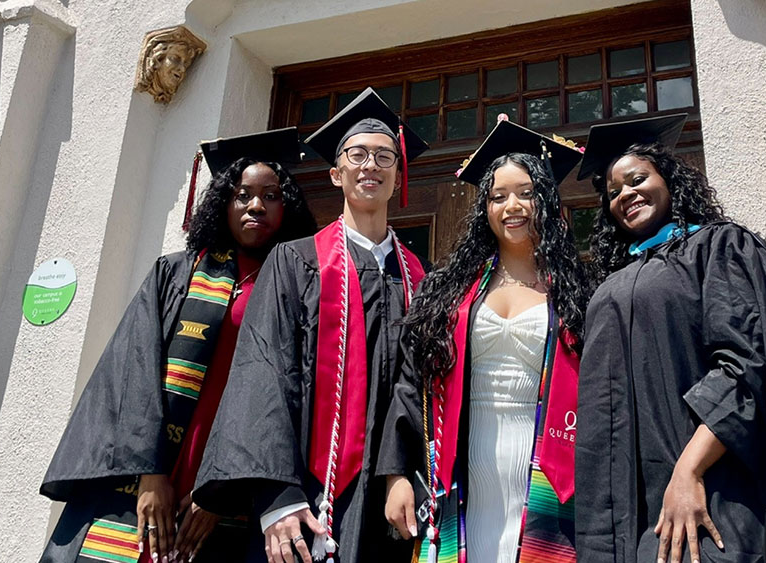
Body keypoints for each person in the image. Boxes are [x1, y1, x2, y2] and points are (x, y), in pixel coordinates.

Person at [574, 114, 766, 562]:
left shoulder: (718, 248)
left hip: (713, 493)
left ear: (668, 180)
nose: (626, 195)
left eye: (637, 179)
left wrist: (687, 472)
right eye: (613, 192)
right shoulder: (619, 278)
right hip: (637, 509)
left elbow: (744, 369)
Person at [40, 127, 318, 563]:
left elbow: (291, 399)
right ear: (223, 203)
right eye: (243, 195)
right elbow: (134, 372)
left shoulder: (297, 288)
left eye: (271, 196)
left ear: (289, 208)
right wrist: (150, 474)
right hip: (154, 470)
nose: (256, 206)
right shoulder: (176, 274)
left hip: (231, 478)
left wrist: (221, 491)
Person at [192, 88, 431, 563]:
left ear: (398, 176)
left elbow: (417, 387)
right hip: (302, 498)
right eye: (357, 154)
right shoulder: (294, 261)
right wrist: (277, 496)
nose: (371, 165)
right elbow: (262, 372)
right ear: (336, 173)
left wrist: (402, 472)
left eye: (384, 156)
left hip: (387, 499)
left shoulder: (418, 278)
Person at [379, 118, 591, 563]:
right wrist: (396, 474)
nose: (512, 206)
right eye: (498, 196)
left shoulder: (577, 291)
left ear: (546, 200)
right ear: (485, 208)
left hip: (548, 457)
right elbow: (410, 383)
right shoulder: (451, 289)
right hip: (464, 454)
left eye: (526, 193)